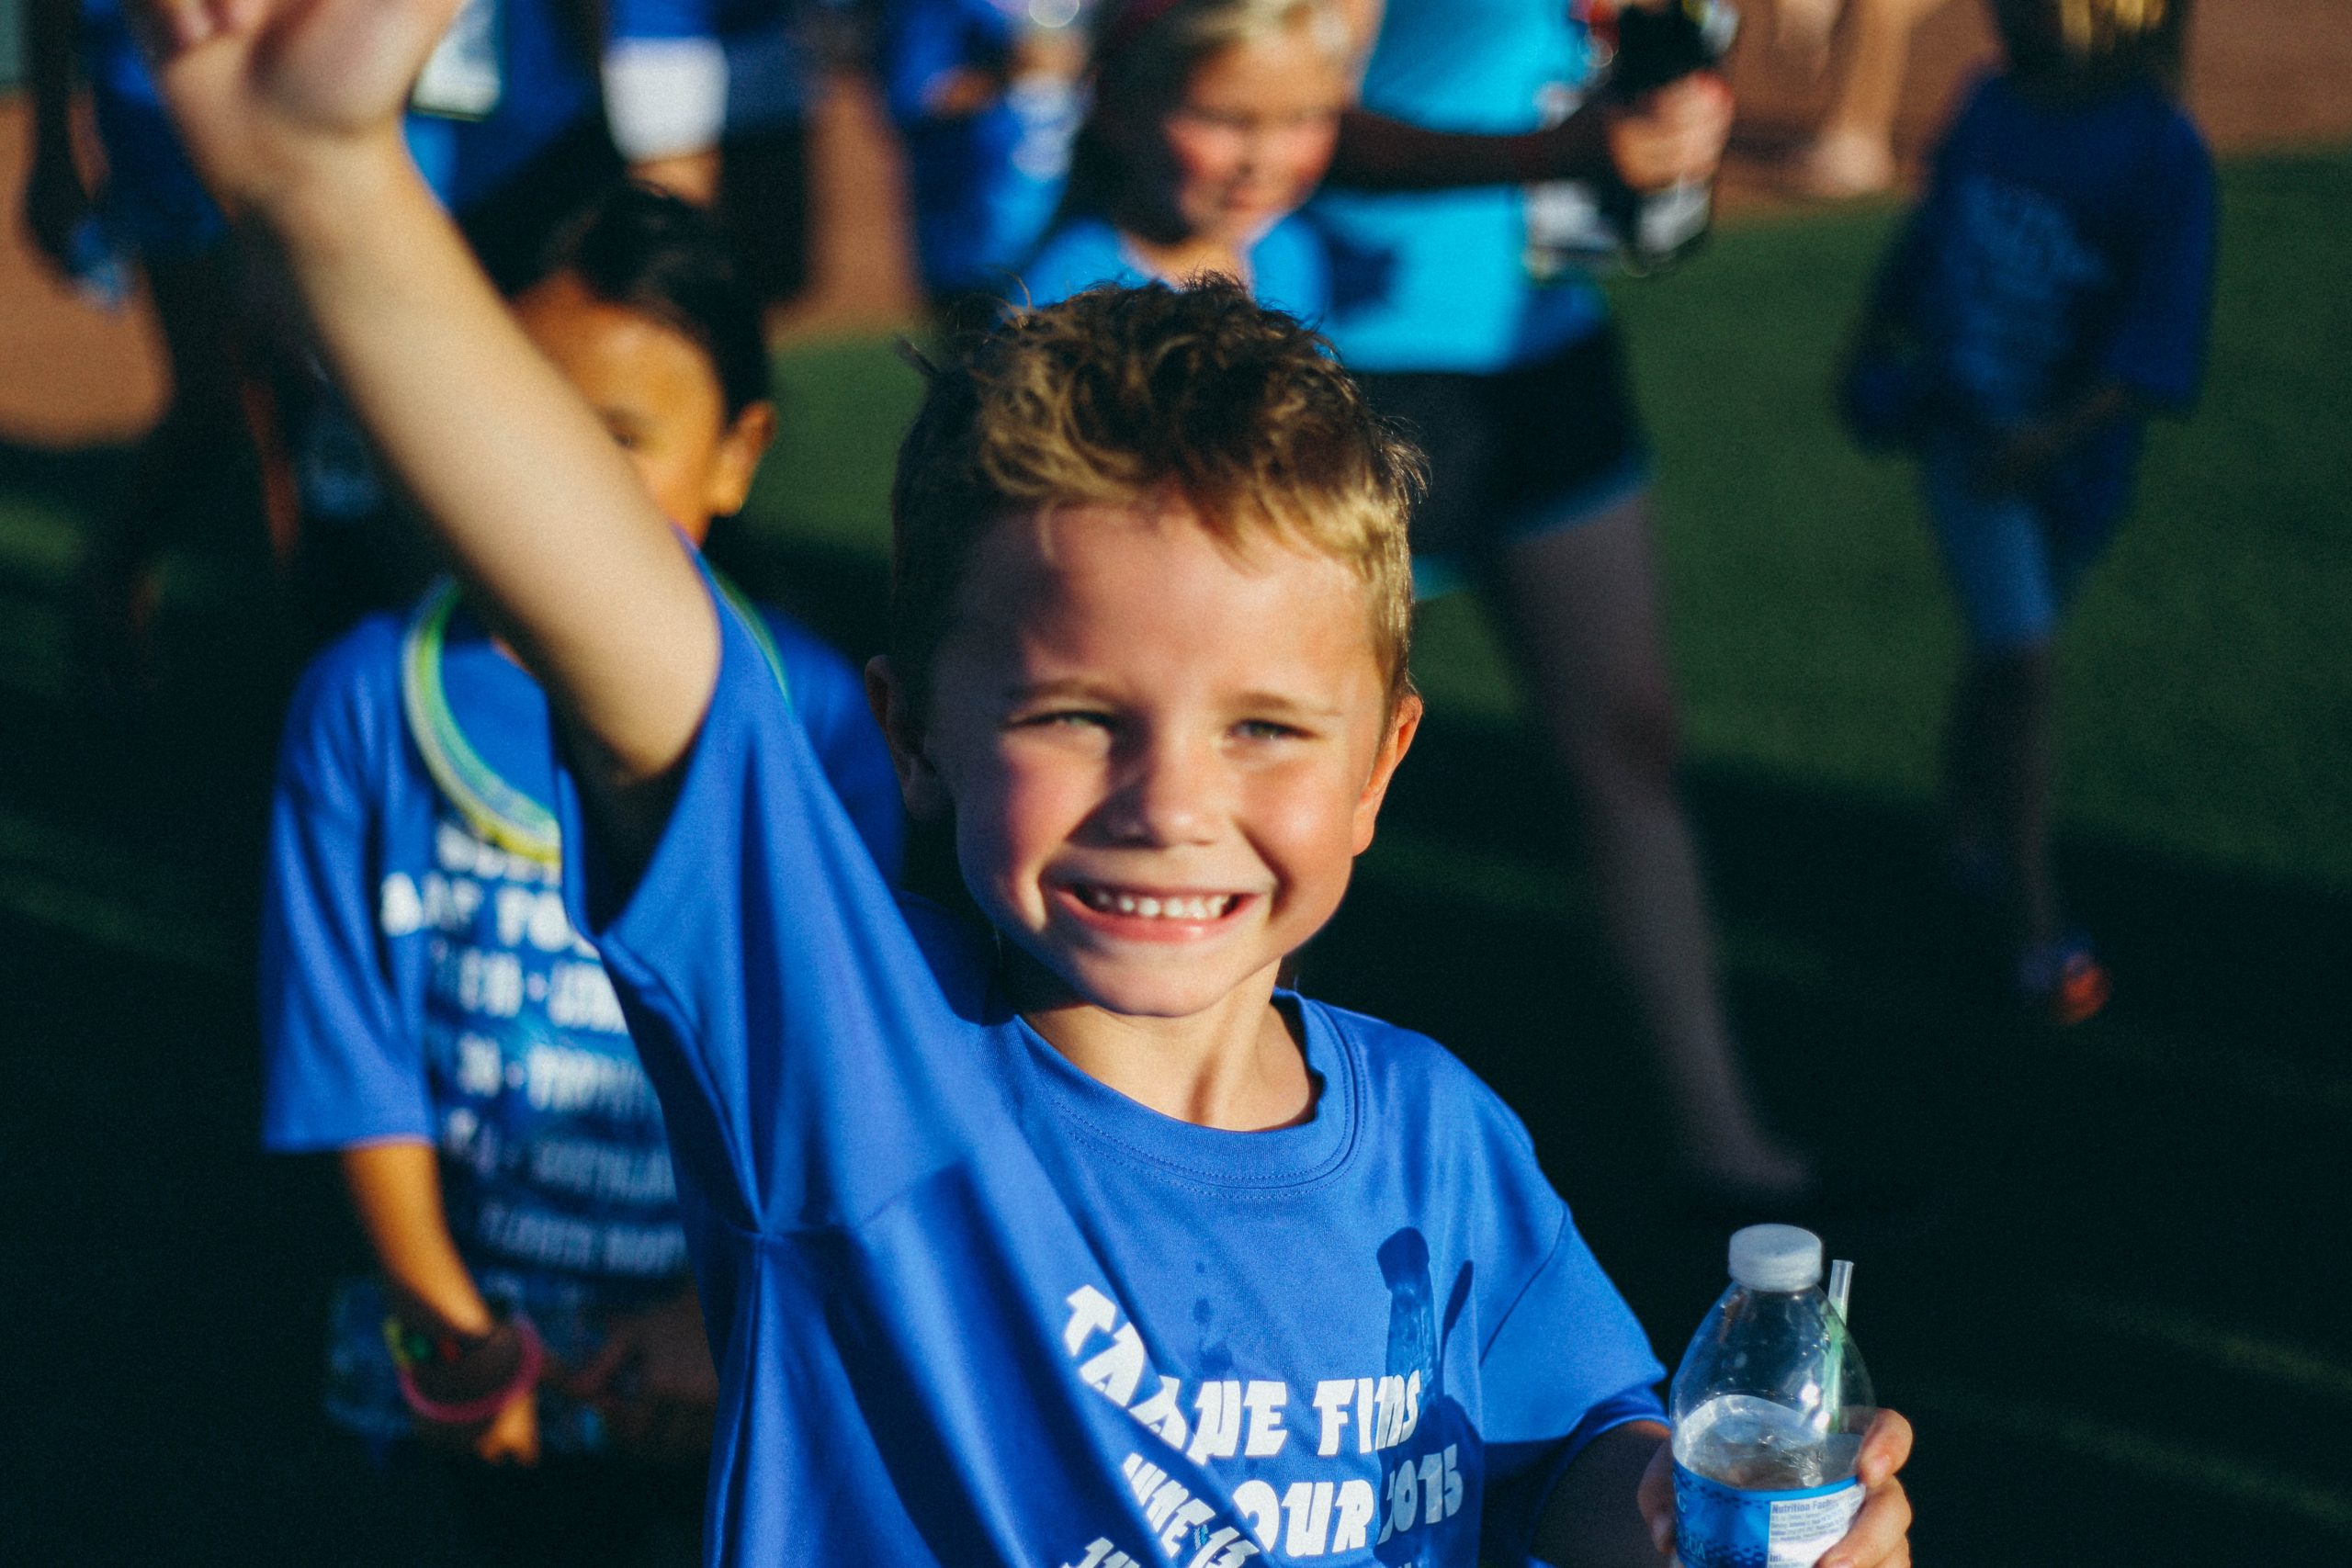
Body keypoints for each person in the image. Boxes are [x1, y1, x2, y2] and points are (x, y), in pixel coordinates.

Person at [143, 2, 1917, 1560]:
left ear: (1382, 767)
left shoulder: (1444, 1141)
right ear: (910, 732)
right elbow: (624, 623)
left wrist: (1707, 1521)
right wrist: (334, 185)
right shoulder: (856, 1070)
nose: (1169, 796)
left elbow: (1583, 1464)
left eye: (1267, 728)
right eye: (1077, 712)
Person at [257, 183, 903, 1565]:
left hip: (737, 1335)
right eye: (517, 424)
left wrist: (715, 1312)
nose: (558, 487)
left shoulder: (824, 714)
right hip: (475, 1353)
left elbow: (854, 1061)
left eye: (617, 438)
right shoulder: (366, 700)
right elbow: (348, 1054)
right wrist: (452, 1320)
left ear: (738, 456)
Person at [1309, 0, 1815, 1206]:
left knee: (1633, 736)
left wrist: (1668, 128)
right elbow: (1287, 116)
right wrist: (1553, 154)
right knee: (1306, 762)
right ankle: (1246, 1144)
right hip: (1360, 361)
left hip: (1543, 346)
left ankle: (1724, 1142)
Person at [1840, 0, 2211, 1023]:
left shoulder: (2160, 149)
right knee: (2024, 661)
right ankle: (2035, 924)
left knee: (2003, 656)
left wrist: (2043, 443)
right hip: (1968, 436)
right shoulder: (1991, 101)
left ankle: (1961, 830)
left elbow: (2152, 343)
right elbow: (1930, 237)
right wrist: (1875, 340)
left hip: (2065, 466)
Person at [1014, 0, 1351, 320]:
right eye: (1223, 119)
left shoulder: (1290, 252)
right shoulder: (1068, 299)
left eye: (1306, 118)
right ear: (1115, 105)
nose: (1264, 161)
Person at [875, 0, 1091, 323]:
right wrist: (1009, 72)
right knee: (984, 356)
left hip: (1067, 215)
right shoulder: (937, 10)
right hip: (972, 230)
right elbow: (913, 97)